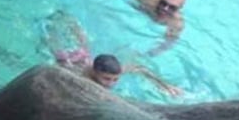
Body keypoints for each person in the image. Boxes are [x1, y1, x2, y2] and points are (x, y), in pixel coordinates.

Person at [48, 13, 182, 97]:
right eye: (106, 79)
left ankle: (75, 26)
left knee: (84, 44)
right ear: (95, 72)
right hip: (71, 59)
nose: (111, 84)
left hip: (88, 58)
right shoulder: (77, 73)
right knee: (63, 52)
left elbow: (141, 69)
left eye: (115, 79)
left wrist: (165, 86)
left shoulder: (115, 71)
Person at [102, 0, 186, 55]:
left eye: (172, 7)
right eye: (163, 3)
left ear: (179, 8)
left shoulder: (176, 23)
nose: (165, 8)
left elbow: (169, 42)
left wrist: (150, 53)